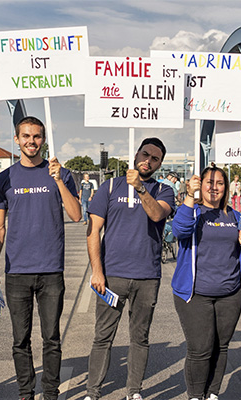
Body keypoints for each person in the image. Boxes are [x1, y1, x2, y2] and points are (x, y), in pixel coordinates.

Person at [0, 116, 81, 400]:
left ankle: (51, 392)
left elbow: (76, 215)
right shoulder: (5, 178)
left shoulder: (61, 175)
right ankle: (26, 392)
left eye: (37, 136)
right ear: (17, 140)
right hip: (17, 272)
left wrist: (58, 179)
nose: (31, 141)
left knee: (51, 338)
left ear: (43, 140)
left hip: (51, 270)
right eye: (26, 136)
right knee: (20, 340)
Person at [85, 138, 175, 400]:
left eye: (155, 158)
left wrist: (141, 190)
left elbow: (158, 215)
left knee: (140, 337)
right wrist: (97, 271)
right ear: (136, 154)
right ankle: (93, 392)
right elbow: (93, 232)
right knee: (103, 336)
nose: (148, 160)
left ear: (159, 164)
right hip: (112, 275)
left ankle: (134, 391)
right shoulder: (110, 186)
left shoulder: (162, 190)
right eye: (145, 154)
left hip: (147, 276)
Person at [171, 166, 241, 400]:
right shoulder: (193, 211)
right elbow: (180, 230)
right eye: (209, 182)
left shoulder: (235, 216)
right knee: (200, 349)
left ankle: (213, 393)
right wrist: (189, 196)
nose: (213, 187)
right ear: (200, 184)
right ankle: (196, 394)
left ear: (225, 188)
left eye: (219, 183)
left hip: (230, 293)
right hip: (195, 294)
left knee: (221, 346)